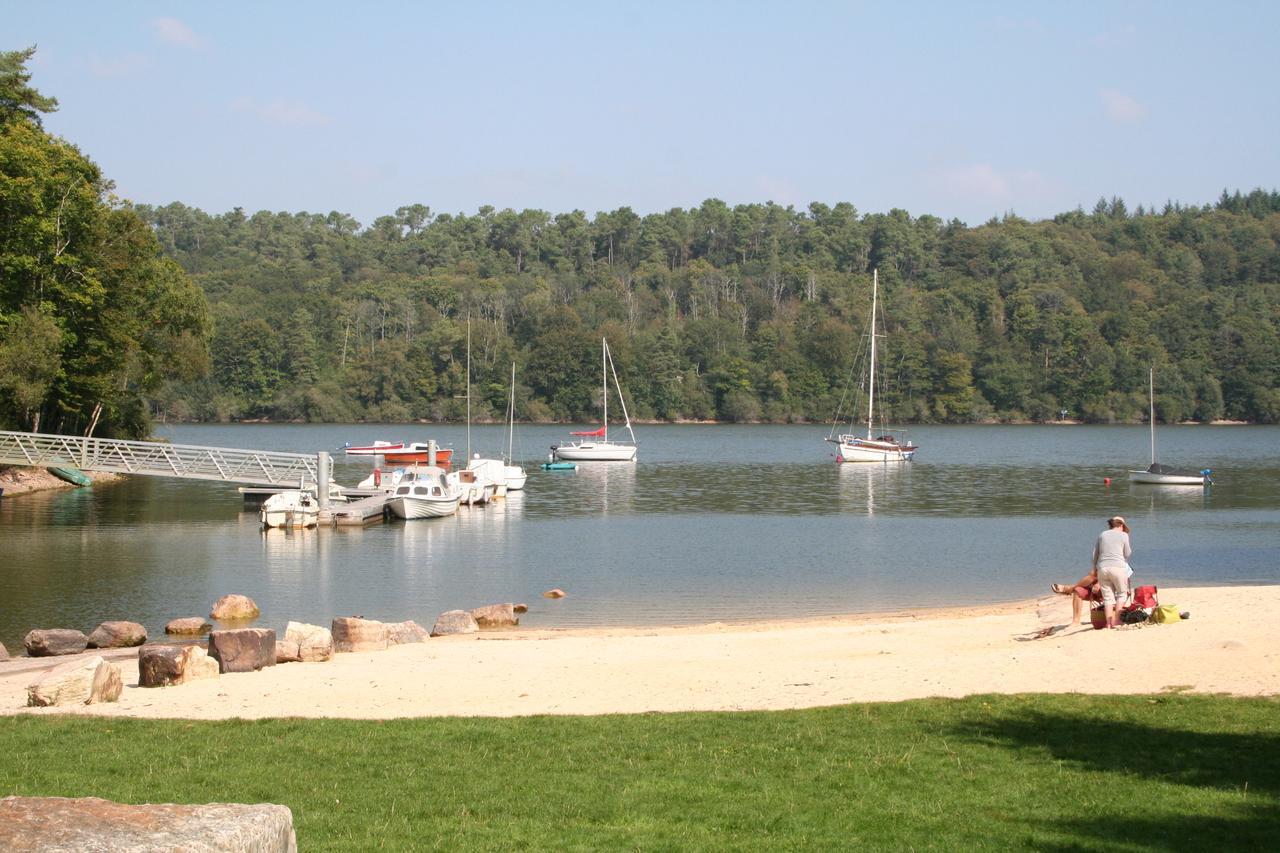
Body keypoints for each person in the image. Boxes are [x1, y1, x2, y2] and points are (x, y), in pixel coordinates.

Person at [1092, 516, 1132, 628]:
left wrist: (1095, 568)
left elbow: (1095, 554)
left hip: (1102, 568)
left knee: (1108, 597)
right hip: (1118, 567)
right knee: (1122, 594)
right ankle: (1117, 620)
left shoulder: (1102, 534)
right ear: (1121, 525)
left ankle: (1108, 623)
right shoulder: (1124, 535)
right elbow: (1127, 553)